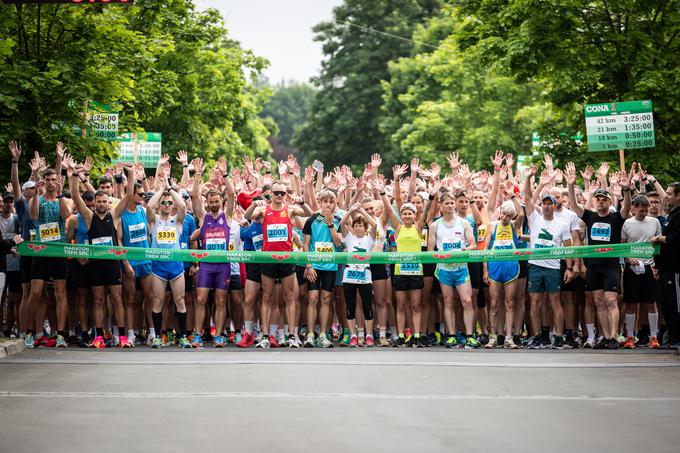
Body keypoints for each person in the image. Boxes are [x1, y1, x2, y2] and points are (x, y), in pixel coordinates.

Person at [65, 157, 129, 348]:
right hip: (95, 265)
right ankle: (99, 336)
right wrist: (75, 175)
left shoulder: (115, 216)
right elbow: (76, 196)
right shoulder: (88, 217)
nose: (101, 204)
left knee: (117, 299)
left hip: (112, 265)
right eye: (98, 201)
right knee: (99, 300)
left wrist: (131, 174)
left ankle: (123, 337)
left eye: (104, 201)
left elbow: (128, 196)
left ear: (109, 203)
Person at [566, 162, 631, 349]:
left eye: (604, 200)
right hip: (593, 266)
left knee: (611, 300)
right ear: (595, 202)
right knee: (598, 302)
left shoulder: (616, 217)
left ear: (610, 202)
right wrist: (571, 185)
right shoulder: (590, 216)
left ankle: (613, 336)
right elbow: (574, 205)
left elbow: (626, 208)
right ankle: (604, 336)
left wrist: (626, 189)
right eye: (598, 199)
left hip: (611, 265)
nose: (601, 202)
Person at [244, 180, 312, 349]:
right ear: (271, 194)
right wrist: (253, 204)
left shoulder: (289, 210)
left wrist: (302, 201)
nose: (280, 196)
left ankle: (291, 336)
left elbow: (309, 214)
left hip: (286, 259)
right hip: (268, 259)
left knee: (289, 297)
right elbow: (246, 216)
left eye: (282, 193)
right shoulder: (263, 209)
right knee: (266, 297)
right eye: (277, 193)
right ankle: (266, 336)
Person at [25, 143, 71, 349]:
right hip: (41, 250)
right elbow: (33, 216)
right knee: (36, 292)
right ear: (45, 182)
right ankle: (30, 332)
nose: (51, 183)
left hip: (59, 250)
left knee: (60, 292)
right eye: (49, 180)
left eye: (55, 180)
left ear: (58, 181)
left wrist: (60, 193)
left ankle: (60, 334)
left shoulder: (63, 199)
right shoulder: (39, 199)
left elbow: (66, 215)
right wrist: (35, 191)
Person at [524, 165, 573, 349]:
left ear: (555, 205)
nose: (546, 206)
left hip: (553, 267)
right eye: (544, 203)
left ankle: (558, 337)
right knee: (535, 302)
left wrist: (569, 268)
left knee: (555, 302)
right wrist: (529, 179)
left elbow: (568, 248)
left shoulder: (562, 223)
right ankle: (536, 336)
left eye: (549, 203)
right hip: (535, 266)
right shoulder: (534, 218)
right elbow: (528, 198)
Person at [189, 158, 234, 348]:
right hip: (206, 265)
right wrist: (197, 175)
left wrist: (225, 175)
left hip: (223, 265)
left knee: (221, 300)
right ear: (207, 203)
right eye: (211, 201)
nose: (214, 204)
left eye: (217, 201)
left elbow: (232, 194)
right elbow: (194, 197)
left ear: (220, 202)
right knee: (201, 299)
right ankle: (197, 335)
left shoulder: (227, 216)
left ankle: (219, 334)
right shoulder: (202, 217)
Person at [146, 176, 191, 349]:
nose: (166, 205)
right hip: (158, 267)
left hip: (176, 267)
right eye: (163, 203)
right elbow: (149, 206)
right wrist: (161, 190)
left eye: (169, 203)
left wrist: (170, 190)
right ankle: (157, 336)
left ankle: (182, 337)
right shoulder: (154, 220)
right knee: (157, 301)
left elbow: (184, 206)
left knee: (180, 301)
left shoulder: (177, 221)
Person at [428, 191, 477, 348]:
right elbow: (430, 250)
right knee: (448, 302)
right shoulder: (435, 225)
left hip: (461, 268)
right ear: (441, 206)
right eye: (446, 203)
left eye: (451, 203)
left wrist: (463, 251)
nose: (450, 206)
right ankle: (451, 335)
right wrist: (440, 255)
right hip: (444, 269)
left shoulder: (463, 223)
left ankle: (469, 335)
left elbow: (473, 244)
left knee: (467, 300)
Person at [302, 189, 343, 348]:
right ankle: (310, 334)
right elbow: (305, 244)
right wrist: (309, 265)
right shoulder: (311, 220)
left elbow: (338, 244)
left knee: (326, 299)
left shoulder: (337, 221)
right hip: (314, 266)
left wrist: (330, 223)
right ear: (320, 202)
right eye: (325, 201)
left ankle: (322, 335)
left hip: (330, 266)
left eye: (331, 202)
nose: (328, 204)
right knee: (312, 298)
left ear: (334, 204)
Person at [621, 195, 661, 348]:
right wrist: (628, 256)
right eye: (641, 211)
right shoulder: (627, 223)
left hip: (649, 266)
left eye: (646, 210)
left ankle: (653, 337)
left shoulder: (655, 222)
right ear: (634, 208)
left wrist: (657, 265)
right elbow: (622, 245)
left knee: (651, 302)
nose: (644, 213)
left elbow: (658, 245)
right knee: (630, 303)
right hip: (632, 267)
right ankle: (630, 336)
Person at [483, 197, 523, 349]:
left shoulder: (515, 226)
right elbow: (486, 250)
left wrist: (514, 197)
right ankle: (492, 337)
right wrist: (485, 270)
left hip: (511, 269)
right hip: (494, 269)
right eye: (503, 214)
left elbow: (521, 214)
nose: (505, 218)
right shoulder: (492, 226)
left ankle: (509, 337)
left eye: (508, 215)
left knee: (510, 303)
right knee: (494, 303)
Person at [339, 204, 377, 347]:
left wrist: (361, 211)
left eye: (361, 226)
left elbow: (374, 225)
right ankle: (353, 335)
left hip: (365, 275)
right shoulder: (349, 238)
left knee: (367, 305)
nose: (359, 228)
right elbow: (342, 223)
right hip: (349, 275)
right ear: (353, 228)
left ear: (364, 228)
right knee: (350, 305)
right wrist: (351, 210)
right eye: (356, 225)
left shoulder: (369, 239)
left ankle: (368, 335)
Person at [652, 182, 680, 348]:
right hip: (665, 269)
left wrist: (659, 238)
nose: (666, 196)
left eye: (669, 194)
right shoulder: (672, 214)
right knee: (667, 304)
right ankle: (673, 337)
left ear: (678, 196)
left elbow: (677, 239)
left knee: (675, 304)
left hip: (675, 270)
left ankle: (677, 338)